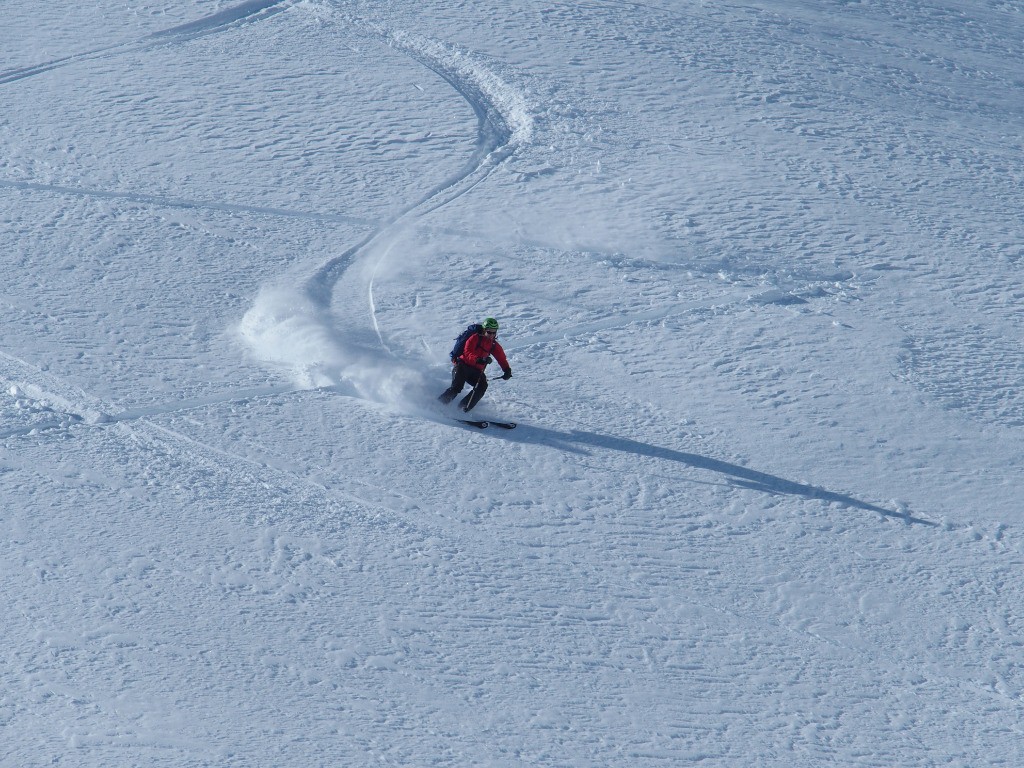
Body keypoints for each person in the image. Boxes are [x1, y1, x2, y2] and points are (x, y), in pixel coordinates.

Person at [438, 317, 512, 412]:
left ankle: (462, 409)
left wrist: (507, 370)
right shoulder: (474, 338)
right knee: (456, 388)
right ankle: (438, 405)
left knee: (482, 386)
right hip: (462, 366)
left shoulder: (493, 344)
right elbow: (467, 352)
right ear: (484, 330)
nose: (492, 335)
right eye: (489, 332)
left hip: (476, 371)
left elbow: (501, 358)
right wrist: (478, 359)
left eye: (494, 332)